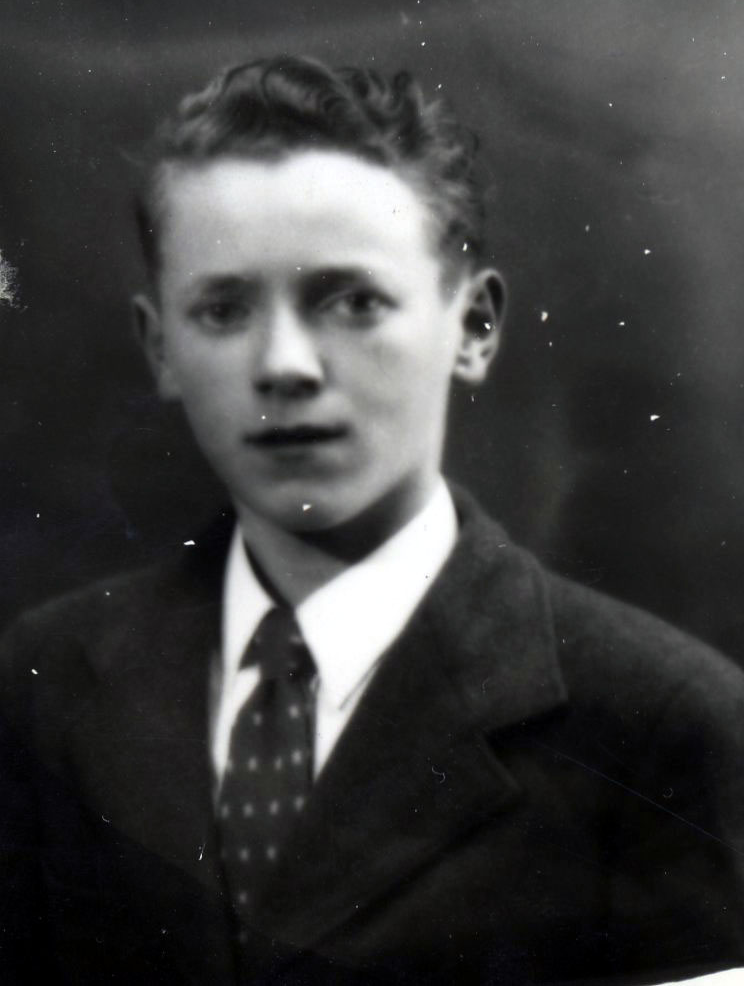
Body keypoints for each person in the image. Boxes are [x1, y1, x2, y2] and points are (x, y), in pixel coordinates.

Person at [1, 55, 743, 986]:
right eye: (223, 310)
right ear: (160, 348)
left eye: (353, 302)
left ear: (473, 327)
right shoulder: (44, 685)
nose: (285, 365)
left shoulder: (664, 728)